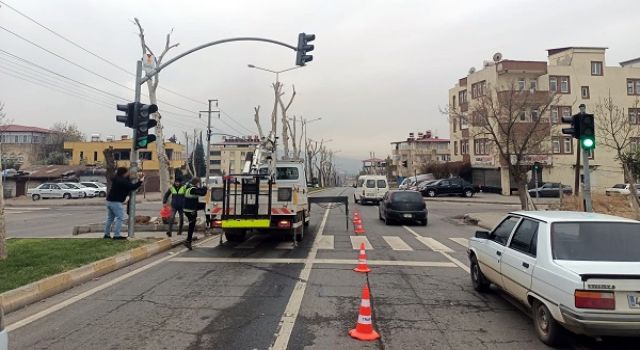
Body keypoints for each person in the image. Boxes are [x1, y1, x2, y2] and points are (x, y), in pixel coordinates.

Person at [104, 167, 143, 240]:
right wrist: (140, 181)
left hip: (109, 201)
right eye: (127, 172)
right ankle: (116, 235)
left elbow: (127, 182)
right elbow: (132, 186)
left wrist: (133, 176)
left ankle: (106, 234)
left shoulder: (117, 178)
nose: (128, 173)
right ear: (124, 173)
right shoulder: (122, 181)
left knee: (110, 219)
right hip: (116, 202)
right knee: (120, 218)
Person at [183, 177, 207, 250]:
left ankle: (188, 241)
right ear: (197, 183)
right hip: (191, 210)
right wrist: (205, 187)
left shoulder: (188, 187)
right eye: (198, 183)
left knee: (204, 205)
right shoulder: (192, 189)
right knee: (191, 226)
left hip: (188, 209)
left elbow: (199, 191)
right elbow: (202, 193)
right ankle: (188, 241)